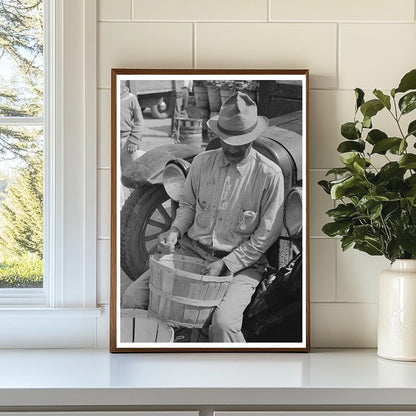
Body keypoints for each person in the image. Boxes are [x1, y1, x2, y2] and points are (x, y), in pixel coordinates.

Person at [122, 91, 285, 342]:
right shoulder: (201, 162)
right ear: (219, 135)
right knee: (133, 298)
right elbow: (187, 206)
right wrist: (174, 231)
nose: (232, 148)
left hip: (241, 267)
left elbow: (265, 236)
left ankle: (234, 376)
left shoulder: (269, 175)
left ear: (253, 137)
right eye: (227, 140)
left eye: (240, 141)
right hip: (190, 252)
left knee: (223, 325)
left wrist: (226, 263)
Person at [119, 80, 144, 204]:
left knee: (130, 176)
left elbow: (139, 122)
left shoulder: (131, 99)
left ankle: (134, 205)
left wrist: (134, 141)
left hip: (126, 142)